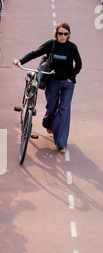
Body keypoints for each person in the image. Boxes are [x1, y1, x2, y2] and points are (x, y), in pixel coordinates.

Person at [13, 22, 82, 154]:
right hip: (53, 82)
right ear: (56, 34)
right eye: (60, 33)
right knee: (51, 108)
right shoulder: (52, 44)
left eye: (65, 34)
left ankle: (61, 143)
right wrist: (20, 61)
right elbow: (35, 53)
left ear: (69, 35)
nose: (62, 36)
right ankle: (48, 124)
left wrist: (71, 77)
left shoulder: (72, 47)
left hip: (67, 84)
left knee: (64, 109)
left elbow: (79, 64)